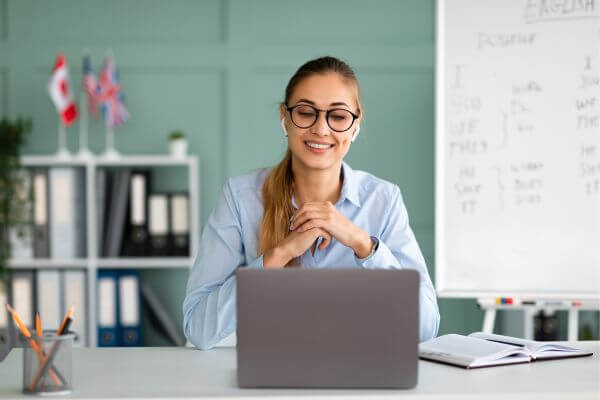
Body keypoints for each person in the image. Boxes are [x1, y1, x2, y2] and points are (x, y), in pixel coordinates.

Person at [183, 56, 440, 350]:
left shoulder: (383, 200)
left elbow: (426, 328)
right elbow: (198, 328)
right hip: (267, 387)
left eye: (339, 116)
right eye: (306, 112)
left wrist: (362, 244)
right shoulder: (240, 198)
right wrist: (279, 255)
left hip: (361, 382)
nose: (321, 129)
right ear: (285, 117)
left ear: (355, 126)